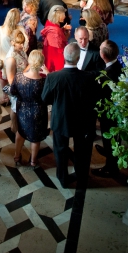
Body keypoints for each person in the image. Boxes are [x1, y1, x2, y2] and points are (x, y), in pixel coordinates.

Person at [40, 43, 99, 187]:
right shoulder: (88, 77)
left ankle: (63, 178)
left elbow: (45, 99)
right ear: (78, 58)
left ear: (64, 57)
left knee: (60, 150)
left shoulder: (53, 77)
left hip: (60, 120)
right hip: (81, 121)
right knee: (81, 151)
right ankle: (81, 175)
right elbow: (93, 99)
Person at [10, 50, 47, 167]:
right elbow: (49, 97)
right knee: (35, 138)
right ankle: (33, 161)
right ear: (42, 64)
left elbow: (12, 92)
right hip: (38, 112)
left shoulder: (19, 77)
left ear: (29, 62)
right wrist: (48, 73)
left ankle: (17, 156)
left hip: (22, 110)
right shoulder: (44, 82)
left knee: (20, 133)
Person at [92, 40, 123, 177]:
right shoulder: (118, 65)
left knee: (110, 137)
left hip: (109, 113)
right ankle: (109, 151)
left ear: (103, 55)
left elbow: (101, 95)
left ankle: (111, 167)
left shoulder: (107, 75)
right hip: (117, 110)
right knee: (114, 138)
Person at [3, 29, 29, 136]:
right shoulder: (11, 59)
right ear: (12, 42)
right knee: (15, 108)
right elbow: (11, 80)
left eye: (22, 43)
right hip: (17, 87)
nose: (22, 45)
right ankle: (14, 128)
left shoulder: (21, 51)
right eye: (19, 43)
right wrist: (29, 67)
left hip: (24, 84)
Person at [42, 6, 71, 73]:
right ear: (57, 16)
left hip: (48, 52)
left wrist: (62, 29)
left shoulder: (49, 23)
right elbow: (59, 51)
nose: (65, 17)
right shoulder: (56, 31)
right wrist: (66, 37)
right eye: (63, 15)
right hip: (55, 57)